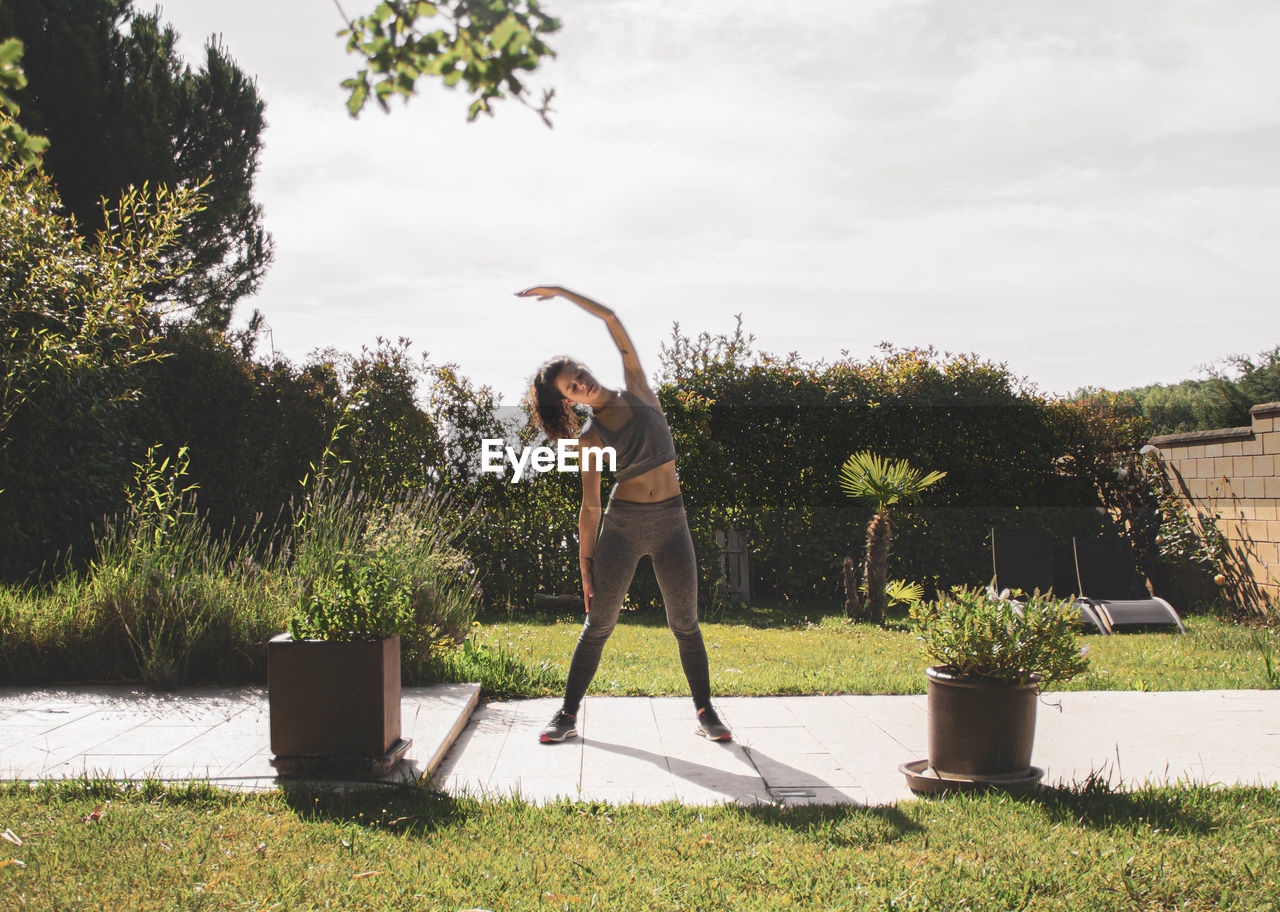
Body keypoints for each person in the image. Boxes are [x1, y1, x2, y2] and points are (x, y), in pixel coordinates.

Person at [518, 285, 732, 744]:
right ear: (570, 401)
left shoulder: (638, 388)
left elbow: (612, 320)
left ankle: (706, 711)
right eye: (572, 388)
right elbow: (590, 505)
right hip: (623, 528)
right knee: (599, 625)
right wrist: (585, 562)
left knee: (686, 623)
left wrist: (560, 292)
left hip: (671, 523)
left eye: (579, 373)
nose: (582, 383)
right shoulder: (590, 440)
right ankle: (567, 715)